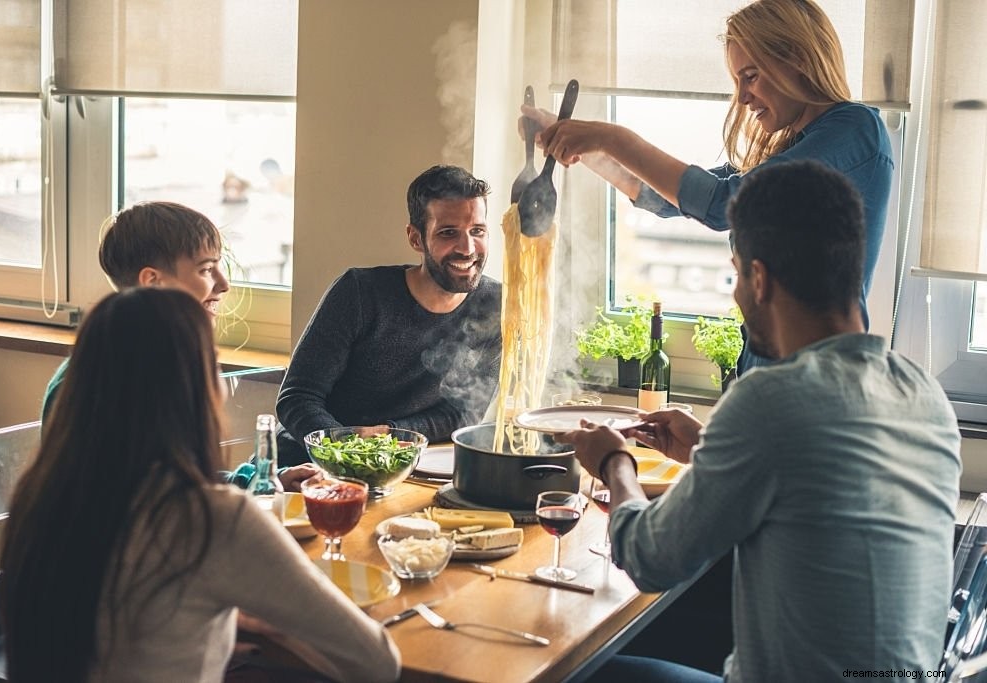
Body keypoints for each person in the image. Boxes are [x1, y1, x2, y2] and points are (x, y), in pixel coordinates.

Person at [558, 160, 961, 682]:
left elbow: (648, 558)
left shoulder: (770, 399)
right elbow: (820, 482)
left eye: (735, 273)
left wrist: (613, 460)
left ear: (759, 278)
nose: (735, 294)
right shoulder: (922, 392)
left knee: (575, 671)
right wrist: (708, 446)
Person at [0, 288, 401, 683]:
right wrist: (274, 625)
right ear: (193, 389)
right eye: (215, 367)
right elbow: (378, 663)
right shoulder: (216, 518)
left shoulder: (37, 497)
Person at [529, 0, 893, 374]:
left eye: (750, 76)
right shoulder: (792, 150)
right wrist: (582, 144)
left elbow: (722, 204)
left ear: (797, 59)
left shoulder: (855, 130)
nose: (742, 97)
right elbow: (669, 199)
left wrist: (613, 137)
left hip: (814, 381)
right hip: (766, 377)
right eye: (738, 81)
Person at [41, 201, 317, 491]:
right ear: (153, 281)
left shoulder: (167, 363)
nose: (223, 285)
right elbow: (123, 498)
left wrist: (261, 480)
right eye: (206, 269)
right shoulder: (95, 381)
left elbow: (173, 479)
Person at [276, 165, 501, 459]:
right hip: (307, 465)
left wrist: (389, 437)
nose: (467, 248)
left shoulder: (494, 304)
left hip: (401, 464)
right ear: (415, 238)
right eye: (448, 233)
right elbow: (297, 398)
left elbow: (464, 413)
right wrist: (347, 452)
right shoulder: (359, 292)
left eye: (477, 231)